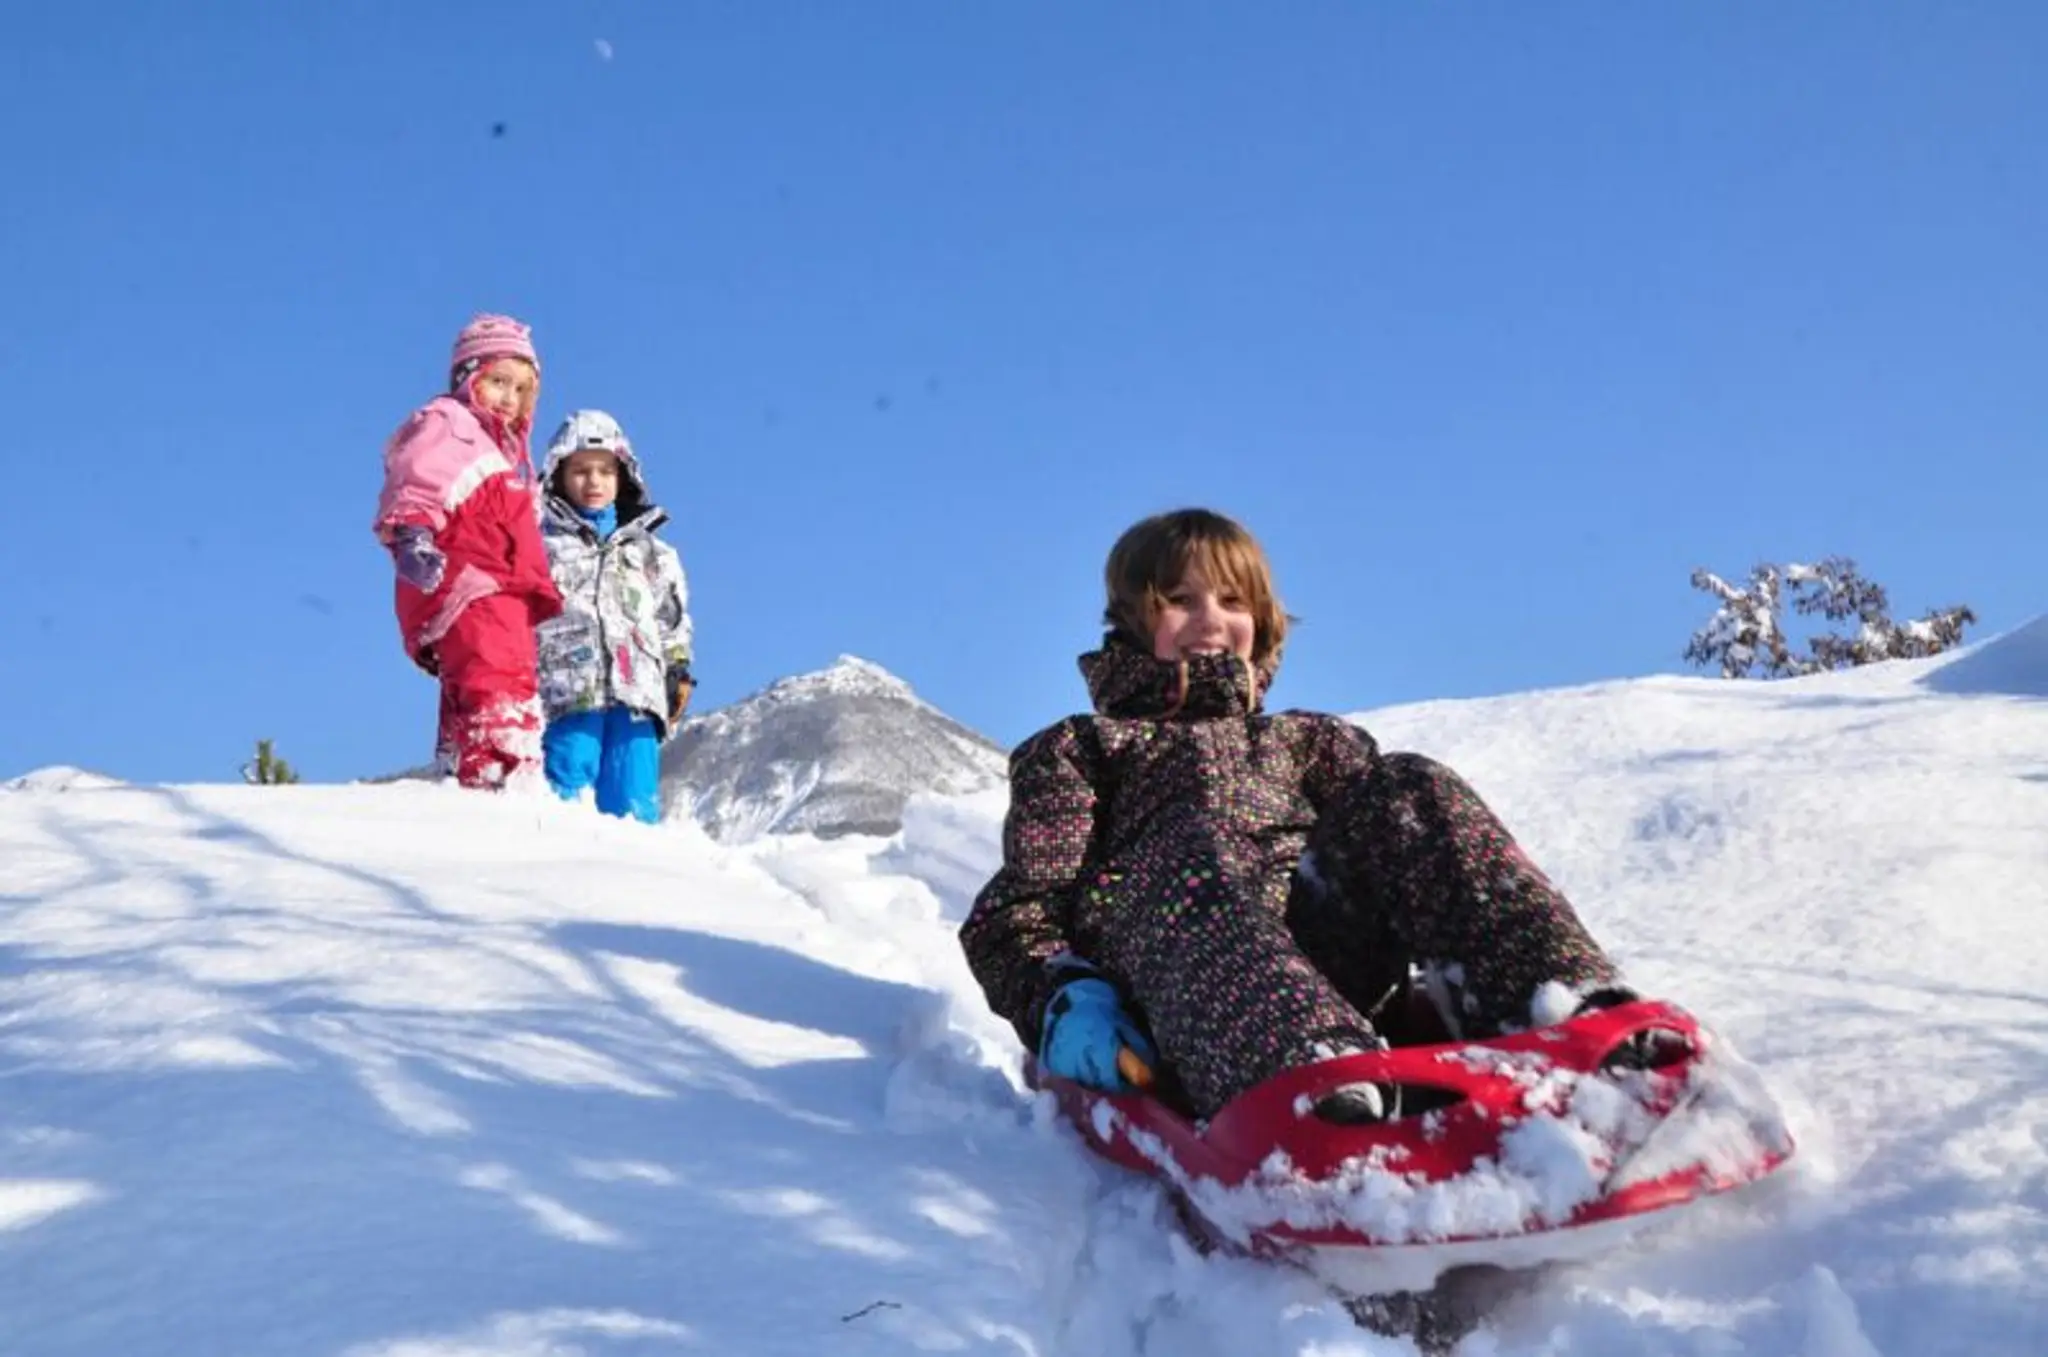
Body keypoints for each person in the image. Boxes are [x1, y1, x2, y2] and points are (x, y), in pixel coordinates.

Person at [959, 507, 1660, 1126]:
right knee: (1194, 854)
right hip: (1179, 996)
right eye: (1179, 599)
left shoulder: (1310, 741)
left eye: (1232, 600)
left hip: (1329, 973)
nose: (1210, 619)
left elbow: (1400, 852)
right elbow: (1015, 912)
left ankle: (1567, 1011)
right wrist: (1061, 994)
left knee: (1408, 786)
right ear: (1134, 623)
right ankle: (1310, 1076)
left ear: (1260, 620)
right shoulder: (1080, 751)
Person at [373, 314, 563, 788]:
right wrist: (412, 536)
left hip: (505, 590)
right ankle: (502, 774)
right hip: (471, 582)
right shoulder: (452, 424)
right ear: (467, 377)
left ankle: (461, 769)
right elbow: (419, 479)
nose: (510, 398)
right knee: (497, 678)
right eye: (499, 382)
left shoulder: (511, 455)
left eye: (522, 389)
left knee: (478, 677)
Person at [533, 409, 695, 823]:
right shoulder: (543, 547)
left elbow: (670, 616)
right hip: (568, 690)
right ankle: (554, 867)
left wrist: (677, 665)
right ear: (558, 477)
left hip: (638, 689)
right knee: (565, 784)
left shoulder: (650, 552)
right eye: (580, 471)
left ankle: (632, 877)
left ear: (624, 475)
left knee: (634, 798)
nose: (593, 482)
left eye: (605, 471)